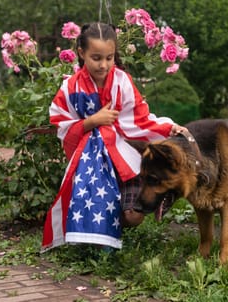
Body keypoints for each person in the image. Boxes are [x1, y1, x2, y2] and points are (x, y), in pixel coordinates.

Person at [41, 22, 185, 251]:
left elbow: (139, 119)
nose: (104, 65)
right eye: (96, 57)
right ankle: (101, 238)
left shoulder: (122, 81)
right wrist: (91, 122)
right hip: (90, 163)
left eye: (109, 58)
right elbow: (60, 122)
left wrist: (168, 128)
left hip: (122, 159)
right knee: (96, 200)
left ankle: (114, 222)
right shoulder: (70, 87)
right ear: (81, 53)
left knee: (133, 216)